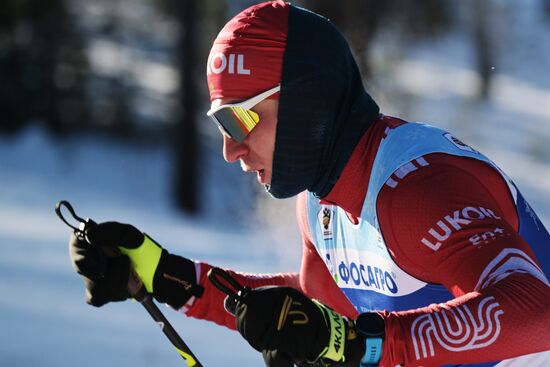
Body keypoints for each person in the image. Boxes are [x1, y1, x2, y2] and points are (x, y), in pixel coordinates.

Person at [68, 1, 550, 366]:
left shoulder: (417, 191)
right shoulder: (320, 204)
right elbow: (316, 311)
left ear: (306, 103)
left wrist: (366, 345)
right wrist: (169, 277)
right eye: (220, 126)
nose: (230, 150)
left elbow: (538, 311)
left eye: (238, 122)